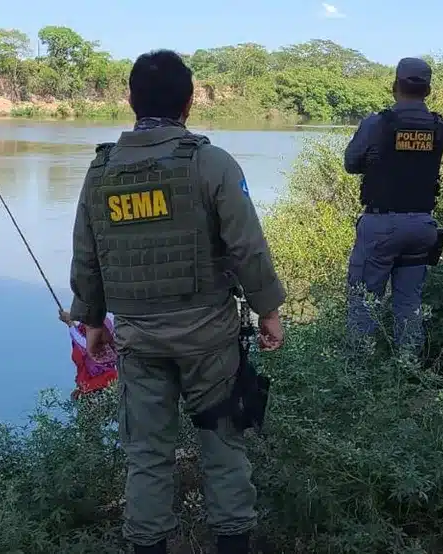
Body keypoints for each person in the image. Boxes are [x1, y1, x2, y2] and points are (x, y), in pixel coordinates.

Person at [62, 49, 286, 554]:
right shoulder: (211, 163)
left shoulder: (100, 172)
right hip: (208, 335)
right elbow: (246, 246)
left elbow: (86, 254)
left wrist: (91, 320)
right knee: (222, 446)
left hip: (138, 339)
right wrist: (268, 311)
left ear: (130, 101)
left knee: (147, 455)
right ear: (189, 103)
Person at [342, 57, 443, 351]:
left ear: (394, 86)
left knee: (363, 303)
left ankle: (357, 374)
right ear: (427, 90)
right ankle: (408, 370)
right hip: (422, 227)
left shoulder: (377, 123)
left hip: (382, 225)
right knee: (409, 306)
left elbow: (351, 164)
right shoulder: (439, 126)